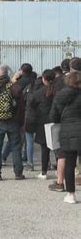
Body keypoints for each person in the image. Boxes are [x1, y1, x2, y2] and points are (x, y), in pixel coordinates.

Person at [49, 66, 81, 204]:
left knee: (69, 163)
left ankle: (71, 194)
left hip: (68, 130)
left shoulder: (60, 95)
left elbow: (53, 116)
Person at [26, 70, 55, 180]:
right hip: (56, 121)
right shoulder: (58, 90)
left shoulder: (39, 92)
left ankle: (44, 172)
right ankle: (60, 171)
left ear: (43, 78)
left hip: (43, 122)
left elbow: (31, 104)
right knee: (58, 148)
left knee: (45, 148)